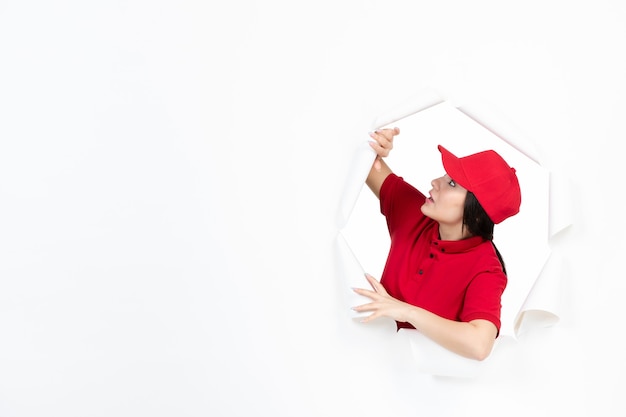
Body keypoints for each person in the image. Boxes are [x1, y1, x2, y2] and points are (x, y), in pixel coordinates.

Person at [352, 127, 521, 361]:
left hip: (424, 387)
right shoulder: (415, 213)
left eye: (452, 184)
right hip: (367, 359)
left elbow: (479, 345)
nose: (435, 181)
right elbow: (364, 161)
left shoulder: (486, 269)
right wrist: (377, 145)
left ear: (477, 213)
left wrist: (405, 311)